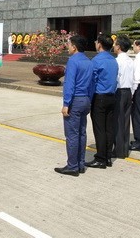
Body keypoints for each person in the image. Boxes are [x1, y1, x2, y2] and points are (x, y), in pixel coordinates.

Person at [55, 35, 93, 177]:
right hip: (85, 100)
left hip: (75, 101)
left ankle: (72, 166)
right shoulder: (89, 62)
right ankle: (80, 164)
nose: (68, 47)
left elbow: (69, 84)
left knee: (72, 135)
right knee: (82, 133)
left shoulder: (73, 61)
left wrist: (66, 104)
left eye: (69, 44)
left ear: (74, 47)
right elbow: (91, 84)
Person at [87, 34, 118, 169]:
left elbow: (91, 81)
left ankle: (100, 158)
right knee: (109, 128)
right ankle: (108, 157)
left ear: (99, 44)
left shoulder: (96, 60)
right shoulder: (113, 60)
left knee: (99, 129)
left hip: (100, 97)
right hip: (112, 96)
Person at [113, 36, 134, 159]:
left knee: (118, 122)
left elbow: (116, 79)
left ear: (119, 47)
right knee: (126, 122)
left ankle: (119, 150)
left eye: (115, 44)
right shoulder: (131, 61)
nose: (113, 46)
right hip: (128, 91)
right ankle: (124, 149)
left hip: (119, 92)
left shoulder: (117, 61)